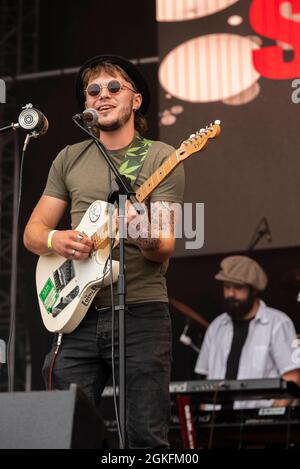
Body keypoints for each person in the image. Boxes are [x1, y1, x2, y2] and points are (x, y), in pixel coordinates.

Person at [23, 54, 185, 448]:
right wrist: (56, 240)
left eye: (114, 87)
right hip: (77, 317)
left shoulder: (162, 157)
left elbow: (161, 247)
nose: (103, 95)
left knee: (144, 435)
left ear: (136, 100)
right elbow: (32, 232)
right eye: (93, 90)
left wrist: (140, 231)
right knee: (64, 434)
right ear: (85, 104)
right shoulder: (69, 157)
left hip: (140, 313)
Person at [195, 255, 300, 408]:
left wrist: (271, 419)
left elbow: (293, 377)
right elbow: (205, 380)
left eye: (238, 287)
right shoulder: (216, 326)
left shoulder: (277, 323)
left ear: (254, 290)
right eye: (226, 287)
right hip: (216, 424)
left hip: (258, 426)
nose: (230, 294)